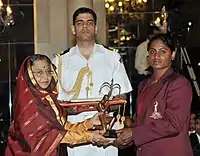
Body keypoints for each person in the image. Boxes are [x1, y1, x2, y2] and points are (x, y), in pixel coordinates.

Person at [52, 7, 132, 156]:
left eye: (89, 22)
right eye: (80, 23)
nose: (85, 26)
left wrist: (102, 113)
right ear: (73, 29)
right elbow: (52, 102)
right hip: (74, 131)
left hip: (105, 128)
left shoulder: (112, 57)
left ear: (96, 28)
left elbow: (122, 97)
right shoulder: (59, 61)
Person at [5, 54, 109, 156]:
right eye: (39, 73)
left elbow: (61, 128)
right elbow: (53, 137)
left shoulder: (47, 99)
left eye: (48, 72)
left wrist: (89, 123)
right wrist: (89, 136)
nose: (45, 77)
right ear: (29, 75)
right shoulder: (29, 104)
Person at [114, 33, 193, 156]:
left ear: (173, 54)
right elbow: (143, 122)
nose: (156, 56)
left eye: (162, 52)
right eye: (152, 52)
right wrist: (122, 133)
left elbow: (172, 124)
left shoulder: (179, 84)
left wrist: (134, 134)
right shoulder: (144, 85)